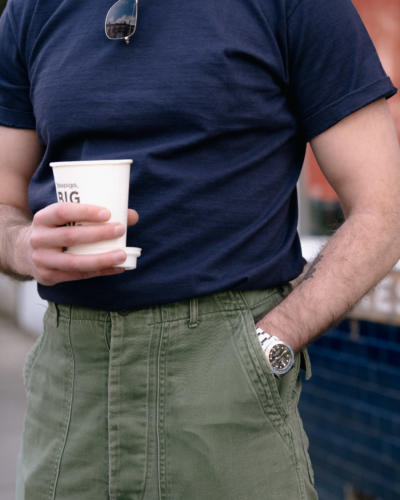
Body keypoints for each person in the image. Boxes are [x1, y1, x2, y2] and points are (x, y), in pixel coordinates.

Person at [1, 0, 400, 498]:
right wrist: (23, 246)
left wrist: (270, 346)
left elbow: (384, 212)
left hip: (226, 370)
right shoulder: (31, 10)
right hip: (70, 384)